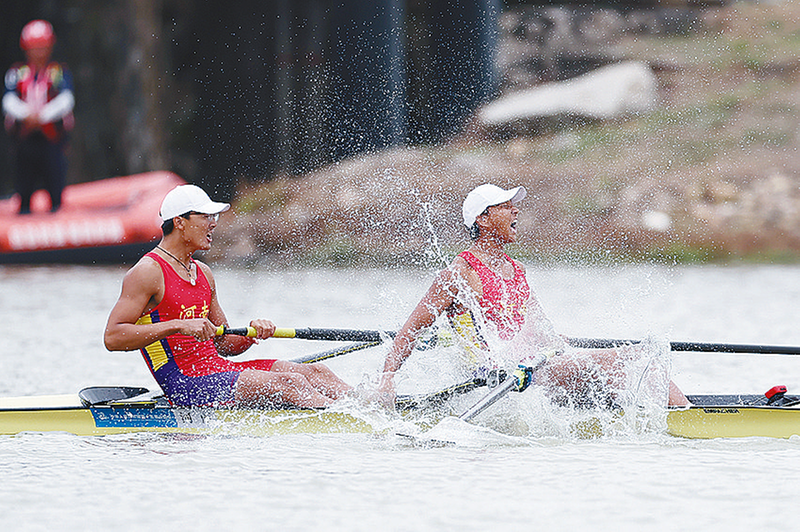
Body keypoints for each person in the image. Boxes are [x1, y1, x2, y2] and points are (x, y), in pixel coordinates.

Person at [378, 183, 690, 408]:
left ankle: (662, 413)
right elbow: (410, 333)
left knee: (640, 356)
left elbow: (541, 327)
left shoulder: (518, 270)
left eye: (513, 204)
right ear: (483, 220)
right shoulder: (458, 274)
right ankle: (686, 423)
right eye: (504, 206)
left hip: (531, 368)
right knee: (632, 359)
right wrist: (388, 378)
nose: (515, 210)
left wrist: (560, 344)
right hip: (497, 376)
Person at [104, 184, 352, 408]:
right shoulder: (147, 272)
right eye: (206, 217)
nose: (213, 223)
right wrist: (179, 325)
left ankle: (379, 407)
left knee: (316, 372)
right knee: (289, 382)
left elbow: (224, 344)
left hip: (219, 370)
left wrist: (253, 333)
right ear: (179, 222)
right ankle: (353, 422)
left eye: (215, 216)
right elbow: (113, 337)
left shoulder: (203, 272)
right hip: (184, 383)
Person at [3, 20, 74, 214]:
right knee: (24, 186)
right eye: (34, 47)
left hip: (51, 138)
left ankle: (58, 217)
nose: (39, 52)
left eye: (43, 47)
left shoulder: (58, 71)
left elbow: (66, 99)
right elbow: (8, 100)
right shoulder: (17, 72)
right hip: (24, 139)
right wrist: (26, 114)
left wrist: (42, 116)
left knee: (55, 184)